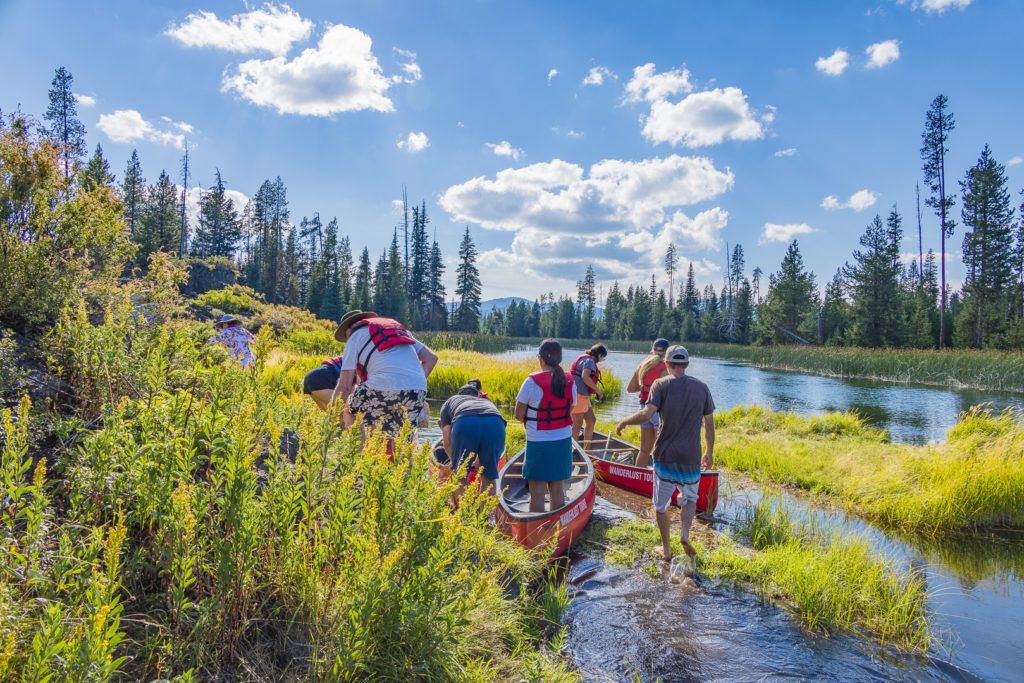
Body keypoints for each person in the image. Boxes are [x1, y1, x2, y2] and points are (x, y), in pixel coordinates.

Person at [614, 345, 714, 562]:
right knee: (689, 499)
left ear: (667, 365)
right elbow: (709, 425)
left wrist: (624, 421)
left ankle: (667, 550)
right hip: (691, 457)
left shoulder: (660, 384)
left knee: (660, 507)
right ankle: (685, 535)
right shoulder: (702, 387)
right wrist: (709, 452)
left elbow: (647, 413)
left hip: (665, 456)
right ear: (686, 365)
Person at [330, 310, 438, 438]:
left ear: (348, 331)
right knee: (401, 437)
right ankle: (402, 456)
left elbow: (345, 386)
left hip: (382, 386)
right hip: (417, 390)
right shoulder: (400, 331)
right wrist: (408, 386)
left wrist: (332, 417)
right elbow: (431, 358)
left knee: (349, 410)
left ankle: (358, 454)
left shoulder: (354, 336)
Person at [514, 339, 577, 512]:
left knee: (537, 491)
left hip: (537, 441)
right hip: (563, 440)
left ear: (541, 359)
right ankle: (555, 529)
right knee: (557, 488)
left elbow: (518, 415)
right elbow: (570, 409)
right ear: (560, 359)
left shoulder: (531, 382)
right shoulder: (570, 381)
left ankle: (537, 532)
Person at [438, 381, 506, 495]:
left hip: (466, 421)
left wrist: (455, 461)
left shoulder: (450, 401)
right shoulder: (486, 402)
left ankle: (464, 512)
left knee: (460, 476)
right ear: (477, 395)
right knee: (489, 477)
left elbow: (447, 442)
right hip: (496, 423)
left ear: (460, 394)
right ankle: (486, 513)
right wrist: (479, 462)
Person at [626, 338, 670, 468]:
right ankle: (659, 480)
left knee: (644, 450)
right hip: (657, 411)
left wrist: (644, 388)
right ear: (666, 352)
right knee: (660, 449)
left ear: (653, 350)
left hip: (643, 409)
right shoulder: (665, 368)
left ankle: (638, 475)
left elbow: (630, 388)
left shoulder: (643, 366)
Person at [569, 344, 607, 447]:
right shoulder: (590, 361)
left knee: (591, 420)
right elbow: (585, 377)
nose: (602, 360)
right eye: (603, 357)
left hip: (583, 396)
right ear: (599, 355)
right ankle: (571, 451)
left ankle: (587, 449)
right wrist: (598, 391)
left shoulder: (585, 359)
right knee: (577, 424)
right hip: (578, 394)